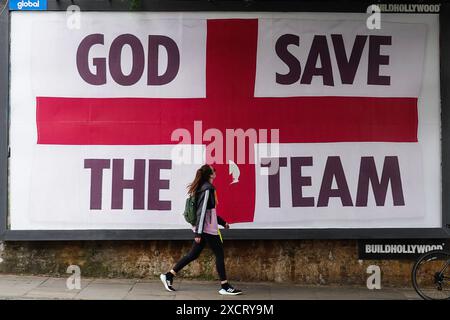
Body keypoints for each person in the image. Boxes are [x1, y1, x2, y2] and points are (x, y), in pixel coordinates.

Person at [160, 164, 242, 295]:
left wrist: (222, 222)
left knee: (193, 254)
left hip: (205, 227)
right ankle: (225, 286)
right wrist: (198, 232)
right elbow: (202, 211)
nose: (215, 171)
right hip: (206, 229)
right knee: (219, 254)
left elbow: (210, 211)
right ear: (210, 175)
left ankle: (169, 275)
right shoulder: (207, 189)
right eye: (213, 170)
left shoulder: (204, 188)